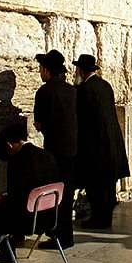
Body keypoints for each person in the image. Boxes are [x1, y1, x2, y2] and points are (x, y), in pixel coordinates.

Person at [0, 124, 61, 263]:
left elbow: (16, 199)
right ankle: (7, 253)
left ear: (9, 145)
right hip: (49, 218)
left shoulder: (17, 162)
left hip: (27, 222)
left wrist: (1, 200)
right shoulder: (47, 155)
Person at [73, 54, 130, 229]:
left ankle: (98, 219)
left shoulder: (84, 89)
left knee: (95, 185)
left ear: (81, 70)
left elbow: (80, 118)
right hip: (111, 141)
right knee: (107, 185)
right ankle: (105, 218)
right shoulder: (105, 85)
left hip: (95, 144)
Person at [34, 49, 77, 249]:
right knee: (66, 193)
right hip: (72, 149)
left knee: (54, 193)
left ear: (47, 70)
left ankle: (57, 235)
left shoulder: (44, 92)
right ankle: (66, 235)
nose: (40, 72)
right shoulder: (71, 90)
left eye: (41, 68)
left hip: (54, 150)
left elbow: (39, 123)